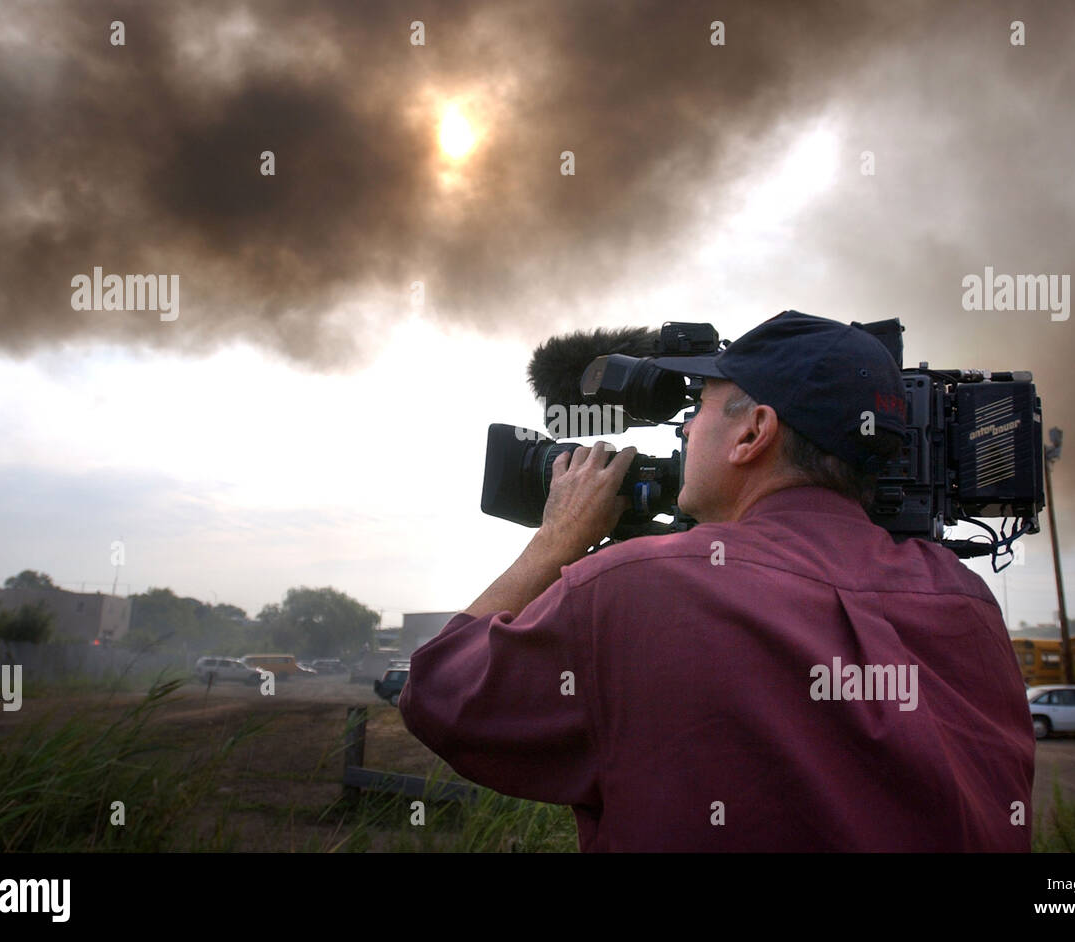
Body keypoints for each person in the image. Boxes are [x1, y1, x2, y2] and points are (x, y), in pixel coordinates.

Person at [399, 310, 1035, 852]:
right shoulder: (965, 599)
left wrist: (556, 541)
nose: (684, 431)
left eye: (697, 410)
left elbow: (440, 694)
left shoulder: (638, 588)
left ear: (753, 432)